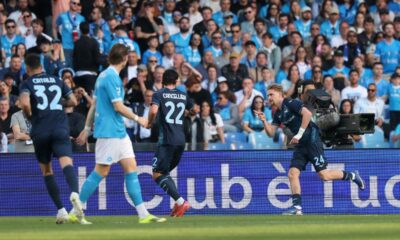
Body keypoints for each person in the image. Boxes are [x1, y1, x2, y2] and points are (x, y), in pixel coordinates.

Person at [75, 44, 166, 224]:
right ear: (124, 60)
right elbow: (117, 106)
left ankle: (143, 215)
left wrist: (86, 129)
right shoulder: (111, 78)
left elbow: (94, 105)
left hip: (118, 132)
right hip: (110, 132)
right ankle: (75, 209)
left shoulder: (102, 76)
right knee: (101, 171)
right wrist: (139, 119)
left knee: (131, 168)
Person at [255, 84, 365, 215]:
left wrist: (299, 134)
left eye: (271, 94)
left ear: (280, 95)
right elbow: (271, 133)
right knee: (292, 173)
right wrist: (264, 121)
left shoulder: (290, 103)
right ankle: (297, 208)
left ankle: (352, 175)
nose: (269, 97)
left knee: (324, 175)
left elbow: (307, 114)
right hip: (301, 145)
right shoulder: (278, 114)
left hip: (312, 140)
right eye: (268, 95)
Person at [18, 53, 87, 224]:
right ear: (41, 66)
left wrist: (30, 115)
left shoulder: (26, 83)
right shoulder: (58, 80)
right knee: (67, 163)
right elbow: (73, 101)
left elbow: (25, 104)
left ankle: (61, 210)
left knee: (47, 171)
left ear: (27, 68)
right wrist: (57, 104)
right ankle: (74, 193)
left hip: (40, 130)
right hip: (60, 128)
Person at [146, 69, 196, 217]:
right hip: (181, 140)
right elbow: (194, 110)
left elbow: (154, 111)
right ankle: (178, 203)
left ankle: (181, 202)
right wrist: (187, 113)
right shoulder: (183, 95)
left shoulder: (158, 94)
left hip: (166, 140)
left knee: (157, 174)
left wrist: (149, 122)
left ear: (163, 81)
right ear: (176, 81)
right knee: (164, 172)